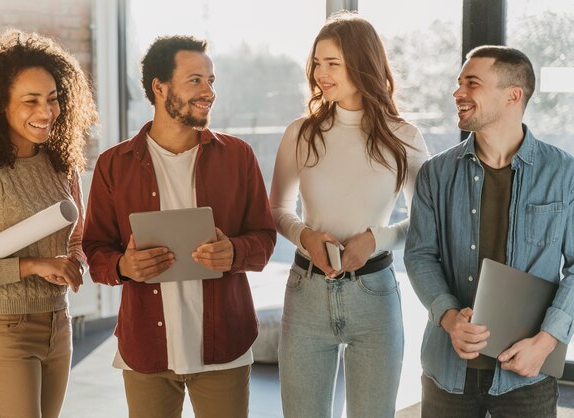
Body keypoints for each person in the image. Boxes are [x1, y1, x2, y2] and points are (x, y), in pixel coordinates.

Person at [82, 35, 276, 418]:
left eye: (211, 81)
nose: (209, 92)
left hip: (225, 347)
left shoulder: (238, 156)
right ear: (159, 87)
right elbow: (95, 250)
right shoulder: (113, 165)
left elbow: (265, 238)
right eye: (195, 80)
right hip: (146, 349)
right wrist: (124, 266)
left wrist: (235, 252)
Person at [270, 12, 428, 418]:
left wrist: (378, 238)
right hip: (307, 293)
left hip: (375, 296)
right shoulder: (300, 133)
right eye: (317, 63)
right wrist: (306, 237)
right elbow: (278, 210)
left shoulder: (404, 137)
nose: (321, 73)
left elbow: (425, 221)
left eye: (333, 63)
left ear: (362, 63)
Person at [404, 45, 574, 418]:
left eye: (472, 83)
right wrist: (449, 318)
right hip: (447, 372)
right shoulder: (436, 173)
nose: (458, 92)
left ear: (513, 95)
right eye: (459, 82)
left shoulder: (564, 172)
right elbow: (419, 255)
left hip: (527, 376)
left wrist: (546, 343)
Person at [0, 29, 97, 418]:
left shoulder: (62, 166)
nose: (46, 112)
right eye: (31, 101)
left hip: (57, 324)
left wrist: (75, 262)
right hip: (2, 330)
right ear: (1, 105)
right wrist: (34, 266)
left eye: (52, 99)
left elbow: (76, 237)